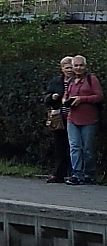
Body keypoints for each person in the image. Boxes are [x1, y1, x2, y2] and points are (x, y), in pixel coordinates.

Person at [65, 55, 101, 185]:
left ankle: (89, 174)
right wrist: (66, 101)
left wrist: (82, 99)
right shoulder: (70, 81)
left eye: (81, 65)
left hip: (88, 119)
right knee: (74, 147)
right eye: (76, 65)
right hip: (72, 118)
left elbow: (99, 96)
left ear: (85, 66)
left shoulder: (92, 80)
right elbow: (66, 95)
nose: (78, 68)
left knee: (87, 148)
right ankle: (76, 174)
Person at [42, 57, 74, 183]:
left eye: (71, 67)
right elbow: (45, 98)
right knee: (60, 147)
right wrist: (52, 97)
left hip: (74, 118)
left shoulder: (78, 81)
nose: (69, 70)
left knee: (74, 146)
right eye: (67, 68)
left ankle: (73, 173)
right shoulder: (56, 82)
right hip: (59, 118)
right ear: (62, 69)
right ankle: (59, 173)